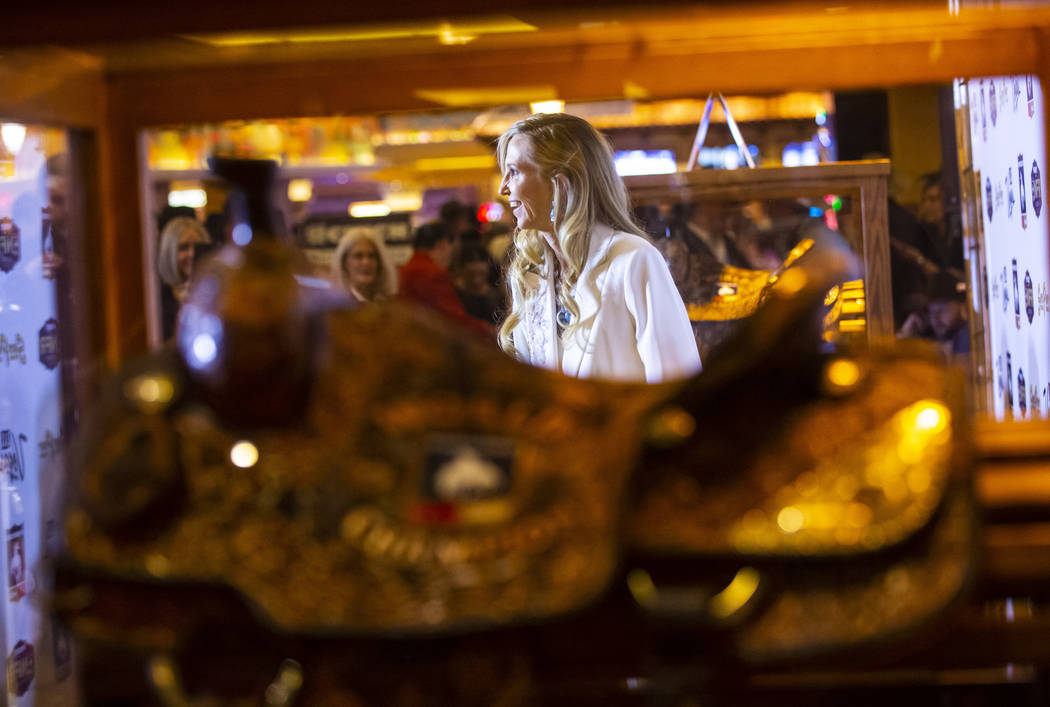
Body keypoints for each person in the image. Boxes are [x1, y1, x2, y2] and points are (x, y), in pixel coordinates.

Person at [497, 113, 701, 383]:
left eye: (514, 172)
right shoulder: (531, 274)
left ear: (561, 182)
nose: (503, 188)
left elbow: (677, 381)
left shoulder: (633, 259)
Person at [398, 221, 492, 337]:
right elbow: (453, 319)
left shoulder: (406, 268)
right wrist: (488, 330)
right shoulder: (432, 273)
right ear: (443, 244)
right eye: (452, 248)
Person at [157, 217, 211, 339]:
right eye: (183, 248)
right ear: (169, 252)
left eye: (196, 247)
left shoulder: (214, 294)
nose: (191, 254)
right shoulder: (157, 301)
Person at [331, 231, 396, 306]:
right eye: (358, 256)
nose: (366, 262)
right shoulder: (338, 307)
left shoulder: (389, 304)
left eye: (372, 256)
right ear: (344, 263)